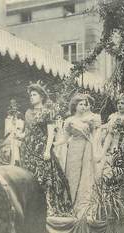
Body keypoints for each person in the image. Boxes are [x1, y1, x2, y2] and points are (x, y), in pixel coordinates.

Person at [20, 81, 72, 216]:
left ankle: (46, 207)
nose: (31, 97)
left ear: (41, 97)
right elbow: (26, 131)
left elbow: (50, 134)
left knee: (44, 178)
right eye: (30, 95)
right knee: (27, 177)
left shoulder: (48, 112)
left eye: (34, 94)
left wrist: (47, 150)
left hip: (41, 149)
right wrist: (18, 136)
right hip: (27, 149)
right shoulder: (27, 113)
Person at [54, 94, 101, 218]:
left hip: (87, 148)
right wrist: (53, 144)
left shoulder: (92, 118)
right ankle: (71, 204)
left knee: (86, 175)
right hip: (74, 149)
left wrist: (96, 151)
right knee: (72, 175)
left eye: (85, 104)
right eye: (81, 104)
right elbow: (64, 138)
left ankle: (83, 207)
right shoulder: (69, 120)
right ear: (75, 106)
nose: (84, 106)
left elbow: (96, 136)